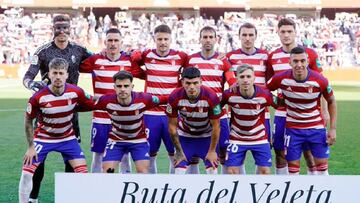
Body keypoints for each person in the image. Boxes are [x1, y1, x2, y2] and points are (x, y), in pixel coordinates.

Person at [21, 14, 92, 203]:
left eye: (65, 27)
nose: (62, 31)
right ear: (52, 29)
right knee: (39, 159)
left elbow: (98, 62)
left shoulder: (79, 49)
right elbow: (28, 75)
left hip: (71, 113)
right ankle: (33, 198)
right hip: (47, 112)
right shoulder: (43, 51)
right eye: (58, 28)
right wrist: (31, 84)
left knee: (71, 158)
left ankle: (68, 197)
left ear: (71, 28)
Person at [80, 28, 145, 173]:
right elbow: (76, 65)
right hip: (100, 119)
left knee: (124, 157)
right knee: (98, 156)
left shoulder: (129, 62)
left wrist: (134, 52)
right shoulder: (95, 60)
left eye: (116, 40)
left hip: (123, 119)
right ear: (105, 42)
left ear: (121, 43)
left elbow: (148, 74)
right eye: (110, 40)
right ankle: (96, 189)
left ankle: (123, 191)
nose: (113, 44)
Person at [267, 46, 337, 175]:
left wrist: (332, 128)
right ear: (290, 62)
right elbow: (265, 92)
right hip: (293, 130)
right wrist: (277, 102)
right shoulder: (281, 78)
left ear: (308, 61)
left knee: (322, 168)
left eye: (302, 61)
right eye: (295, 61)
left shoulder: (319, 80)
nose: (299, 65)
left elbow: (331, 101)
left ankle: (321, 194)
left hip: (316, 129)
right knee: (293, 171)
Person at [267, 18, 323, 175]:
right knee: (280, 152)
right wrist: (275, 102)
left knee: (309, 154)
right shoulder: (272, 56)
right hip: (282, 113)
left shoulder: (309, 54)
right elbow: (267, 86)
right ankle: (284, 191)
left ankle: (314, 191)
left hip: (306, 114)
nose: (286, 35)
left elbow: (322, 85)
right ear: (277, 33)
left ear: (295, 32)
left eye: (290, 31)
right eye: (283, 31)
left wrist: (323, 111)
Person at [131, 24, 188, 174]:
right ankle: (151, 188)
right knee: (150, 156)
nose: (163, 42)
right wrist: (134, 55)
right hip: (151, 114)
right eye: (159, 39)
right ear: (154, 39)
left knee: (175, 154)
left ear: (171, 39)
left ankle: (173, 188)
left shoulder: (181, 56)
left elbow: (190, 74)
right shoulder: (147, 55)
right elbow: (132, 66)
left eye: (166, 39)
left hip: (172, 114)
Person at [92, 71, 167, 173]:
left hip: (138, 139)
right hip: (116, 140)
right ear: (114, 87)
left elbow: (166, 99)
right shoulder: (106, 101)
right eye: (119, 86)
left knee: (143, 172)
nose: (122, 89)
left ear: (132, 86)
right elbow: (86, 104)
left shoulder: (144, 99)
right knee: (107, 171)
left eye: (126, 86)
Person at [185, 26, 237, 174]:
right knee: (193, 156)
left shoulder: (223, 61)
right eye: (205, 37)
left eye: (210, 37)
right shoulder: (191, 59)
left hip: (219, 114)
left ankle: (223, 189)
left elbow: (232, 83)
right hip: (195, 115)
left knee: (224, 153)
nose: (207, 40)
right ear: (199, 39)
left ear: (216, 39)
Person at [226, 22, 270, 174]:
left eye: (251, 35)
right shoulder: (230, 56)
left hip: (261, 114)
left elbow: (270, 81)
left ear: (256, 36)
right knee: (238, 156)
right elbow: (226, 79)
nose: (247, 38)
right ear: (239, 36)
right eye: (244, 35)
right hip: (238, 113)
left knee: (263, 156)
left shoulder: (265, 56)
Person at [166, 67, 221, 174]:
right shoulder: (174, 96)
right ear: (182, 82)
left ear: (201, 81)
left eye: (195, 83)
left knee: (213, 170)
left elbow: (216, 126)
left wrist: (212, 151)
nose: (191, 87)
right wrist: (178, 151)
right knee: (178, 170)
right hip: (185, 137)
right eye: (188, 83)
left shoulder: (211, 96)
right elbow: (172, 127)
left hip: (206, 137)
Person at [221, 64, 274, 174]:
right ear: (237, 79)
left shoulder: (265, 95)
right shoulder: (229, 95)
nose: (245, 80)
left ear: (254, 78)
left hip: (259, 137)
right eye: (242, 77)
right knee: (232, 171)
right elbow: (216, 108)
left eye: (248, 77)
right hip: (237, 137)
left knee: (265, 172)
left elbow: (281, 104)